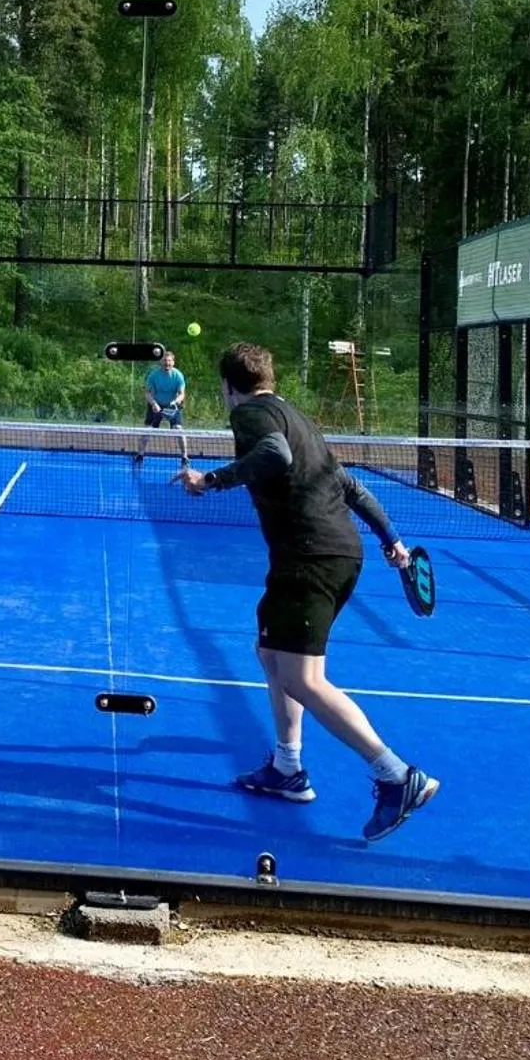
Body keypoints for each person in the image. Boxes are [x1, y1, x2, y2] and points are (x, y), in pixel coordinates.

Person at [176, 341, 437, 843]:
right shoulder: (298, 415)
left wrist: (210, 480)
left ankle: (397, 776)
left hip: (309, 556)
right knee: (271, 654)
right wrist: (393, 541)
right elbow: (351, 487)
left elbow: (274, 454)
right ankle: (287, 767)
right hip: (332, 552)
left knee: (304, 678)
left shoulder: (251, 414)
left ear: (229, 386)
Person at [135, 348, 188, 463]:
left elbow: (181, 394)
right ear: (161, 362)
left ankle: (185, 457)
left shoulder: (178, 375)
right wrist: (154, 404)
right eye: (164, 361)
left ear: (173, 362)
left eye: (169, 361)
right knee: (147, 431)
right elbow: (147, 393)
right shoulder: (153, 375)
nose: (167, 363)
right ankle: (140, 455)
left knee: (179, 430)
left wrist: (174, 403)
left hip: (172, 406)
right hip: (156, 405)